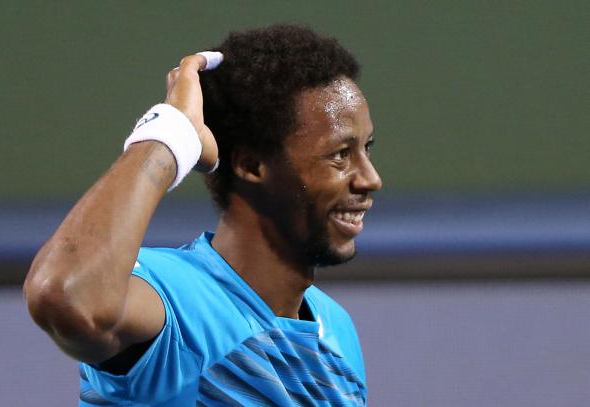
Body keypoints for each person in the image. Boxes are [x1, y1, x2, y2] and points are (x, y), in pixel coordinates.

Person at [24, 24, 382, 406]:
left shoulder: (337, 330)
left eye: (367, 149)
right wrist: (172, 133)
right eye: (340, 154)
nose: (371, 179)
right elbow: (63, 295)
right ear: (252, 165)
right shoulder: (174, 299)